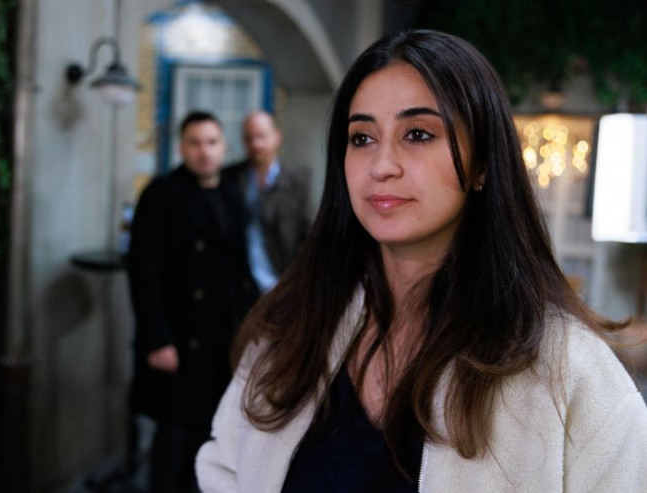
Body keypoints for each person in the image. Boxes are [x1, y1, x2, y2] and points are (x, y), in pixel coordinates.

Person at [196, 30, 647, 492]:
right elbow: (223, 470)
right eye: (361, 138)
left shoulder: (567, 368)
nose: (381, 165)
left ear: (482, 164)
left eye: (417, 134)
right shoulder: (295, 325)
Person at [127, 111, 257, 492]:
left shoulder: (231, 195)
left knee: (209, 441)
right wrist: (157, 339)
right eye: (195, 143)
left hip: (221, 339)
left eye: (211, 142)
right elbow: (142, 271)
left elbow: (241, 271)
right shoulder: (161, 194)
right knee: (171, 443)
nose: (204, 151)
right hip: (178, 338)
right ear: (182, 148)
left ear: (223, 147)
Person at [223, 111, 312, 293]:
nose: (256, 144)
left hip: (283, 283)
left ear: (276, 137)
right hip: (241, 286)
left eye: (261, 137)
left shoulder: (296, 180)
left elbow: (308, 233)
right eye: (249, 138)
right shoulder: (230, 178)